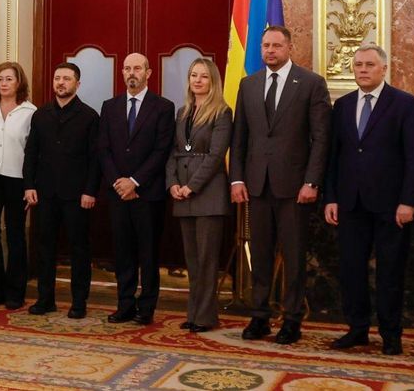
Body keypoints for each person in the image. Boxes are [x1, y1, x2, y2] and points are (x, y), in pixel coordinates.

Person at [323, 44, 414, 356]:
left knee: (390, 272)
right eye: (358, 65)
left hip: (391, 206)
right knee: (351, 270)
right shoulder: (342, 105)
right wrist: (331, 197)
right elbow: (334, 156)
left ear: (384, 69)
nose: (363, 70)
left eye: (369, 65)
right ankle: (357, 329)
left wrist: (409, 201)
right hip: (350, 203)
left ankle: (391, 334)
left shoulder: (405, 103)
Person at [230, 25, 330, 344]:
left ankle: (292, 319)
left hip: (295, 188)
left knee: (294, 257)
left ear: (289, 47)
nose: (270, 51)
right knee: (259, 254)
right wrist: (237, 178)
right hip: (257, 186)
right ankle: (259, 316)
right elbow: (239, 136)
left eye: (276, 45)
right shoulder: (248, 84)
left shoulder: (311, 83)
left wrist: (312, 181)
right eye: (265, 45)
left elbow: (321, 138)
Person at [97, 52, 175, 325]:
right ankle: (125, 304)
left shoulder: (163, 107)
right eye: (127, 68)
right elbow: (103, 149)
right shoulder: (110, 106)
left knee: (148, 252)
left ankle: (147, 307)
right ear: (122, 72)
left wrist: (135, 181)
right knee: (122, 252)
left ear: (148, 73)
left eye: (138, 68)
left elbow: (161, 150)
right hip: (118, 193)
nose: (132, 73)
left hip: (147, 193)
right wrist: (118, 182)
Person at [24, 62, 99, 319]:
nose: (61, 83)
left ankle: (79, 302)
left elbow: (95, 159)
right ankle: (45, 299)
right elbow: (31, 153)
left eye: (66, 78)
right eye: (57, 78)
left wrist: (90, 190)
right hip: (45, 193)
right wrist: (29, 185)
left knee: (79, 249)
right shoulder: (41, 114)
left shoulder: (89, 116)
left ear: (77, 84)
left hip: (77, 195)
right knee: (45, 248)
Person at [165, 57, 232, 332]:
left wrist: (192, 186)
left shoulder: (222, 112)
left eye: (204, 76)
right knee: (192, 261)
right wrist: (172, 184)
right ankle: (193, 314)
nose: (198, 80)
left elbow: (216, 156)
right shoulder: (183, 112)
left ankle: (205, 317)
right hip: (182, 194)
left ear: (212, 80)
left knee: (207, 260)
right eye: (194, 75)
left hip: (208, 194)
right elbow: (173, 151)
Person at [0, 62, 36, 309]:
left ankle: (15, 292)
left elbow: (33, 153)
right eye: (0, 79)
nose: (4, 83)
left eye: (9, 79)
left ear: (19, 82)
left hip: (17, 180)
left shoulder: (30, 111)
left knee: (15, 235)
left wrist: (31, 185)